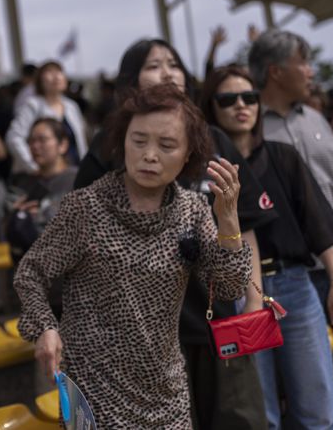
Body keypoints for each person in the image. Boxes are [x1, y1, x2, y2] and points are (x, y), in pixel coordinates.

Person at [16, 83, 251, 428]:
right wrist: (45, 327)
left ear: (188, 155)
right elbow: (31, 273)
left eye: (167, 145)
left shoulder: (193, 210)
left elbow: (230, 288)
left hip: (166, 389)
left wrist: (228, 217)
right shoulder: (86, 207)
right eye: (138, 141)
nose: (150, 154)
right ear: (122, 141)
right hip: (94, 390)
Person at [75, 38, 271, 430]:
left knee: (238, 420)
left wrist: (254, 300)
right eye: (154, 65)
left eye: (174, 63)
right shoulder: (110, 144)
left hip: (219, 319)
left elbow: (243, 224)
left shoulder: (215, 140)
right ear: (131, 81)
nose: (168, 72)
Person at [200, 64, 333, 429]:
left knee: (319, 411)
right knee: (259, 413)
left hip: (293, 286)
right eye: (228, 98)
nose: (242, 105)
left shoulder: (282, 155)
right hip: (236, 294)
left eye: (250, 97)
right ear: (211, 107)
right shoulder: (205, 170)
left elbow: (318, 224)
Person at [249, 30, 333, 321]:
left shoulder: (316, 119)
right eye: (303, 63)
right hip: (290, 277)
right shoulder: (251, 131)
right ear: (276, 72)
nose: (311, 71)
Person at [6, 118, 77, 257]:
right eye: (31, 141)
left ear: (62, 145)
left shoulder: (77, 180)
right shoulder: (23, 182)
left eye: (42, 140)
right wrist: (17, 216)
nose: (35, 146)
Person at [6, 60, 87, 174]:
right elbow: (14, 137)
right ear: (40, 80)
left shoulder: (71, 106)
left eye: (59, 72)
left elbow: (81, 142)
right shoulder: (32, 105)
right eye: (49, 72)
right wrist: (32, 167)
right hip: (44, 175)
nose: (56, 76)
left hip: (73, 171)